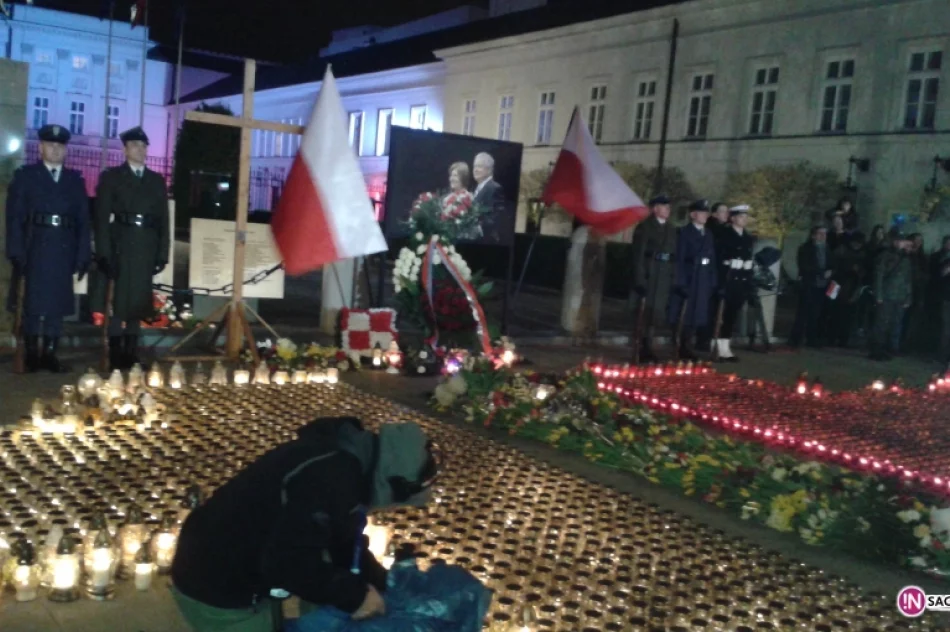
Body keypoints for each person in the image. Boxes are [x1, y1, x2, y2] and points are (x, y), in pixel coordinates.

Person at [171, 417, 440, 632]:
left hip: (237, 556)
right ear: (392, 483)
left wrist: (381, 582)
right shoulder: (332, 479)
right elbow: (286, 563)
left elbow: (343, 541)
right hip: (216, 579)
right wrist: (356, 597)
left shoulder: (348, 459)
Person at [5, 124, 91, 373]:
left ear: (65, 150)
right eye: (50, 145)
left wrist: (83, 254)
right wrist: (16, 251)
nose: (55, 150)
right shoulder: (26, 177)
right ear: (41, 147)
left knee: (56, 304)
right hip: (35, 247)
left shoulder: (74, 181)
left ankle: (50, 354)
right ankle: (32, 353)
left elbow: (83, 222)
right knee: (31, 303)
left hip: (63, 247)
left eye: (60, 146)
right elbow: (15, 218)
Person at [95, 126, 169, 371]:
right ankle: (116, 352)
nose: (140, 150)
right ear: (125, 149)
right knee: (119, 301)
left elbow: (163, 221)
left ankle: (131, 352)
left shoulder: (156, 180)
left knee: (138, 301)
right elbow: (102, 218)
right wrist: (104, 253)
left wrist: (162, 254)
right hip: (121, 243)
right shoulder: (112, 177)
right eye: (135, 145)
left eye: (143, 146)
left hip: (146, 245)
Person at [629, 194, 677, 362]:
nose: (668, 210)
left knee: (656, 313)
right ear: (655, 208)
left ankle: (649, 345)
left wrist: (672, 277)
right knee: (644, 313)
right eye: (664, 207)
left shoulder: (671, 229)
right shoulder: (645, 227)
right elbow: (638, 255)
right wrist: (640, 280)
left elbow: (673, 255)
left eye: (668, 207)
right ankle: (640, 346)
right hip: (650, 272)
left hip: (663, 274)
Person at [668, 199, 717, 360]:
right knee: (685, 314)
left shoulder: (708, 234)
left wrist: (712, 281)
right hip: (690, 277)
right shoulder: (684, 233)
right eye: (702, 213)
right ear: (693, 215)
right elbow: (680, 259)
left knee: (698, 313)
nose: (705, 216)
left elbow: (712, 259)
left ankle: (689, 345)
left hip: (702, 278)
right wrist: (680, 282)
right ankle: (681, 345)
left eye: (706, 213)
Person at [711, 205, 756, 362]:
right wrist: (728, 263)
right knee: (720, 315)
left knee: (732, 315)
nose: (744, 220)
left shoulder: (748, 237)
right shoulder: (724, 234)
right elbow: (718, 257)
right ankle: (716, 346)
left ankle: (726, 348)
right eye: (741, 217)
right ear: (733, 218)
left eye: (746, 217)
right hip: (727, 279)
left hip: (740, 280)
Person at [870, 228, 913, 361]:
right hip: (887, 294)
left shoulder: (905, 258)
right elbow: (879, 276)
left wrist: (908, 296)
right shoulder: (885, 256)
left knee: (894, 324)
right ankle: (876, 349)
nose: (901, 243)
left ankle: (887, 349)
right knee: (881, 323)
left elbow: (907, 279)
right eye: (899, 240)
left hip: (899, 296)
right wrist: (879, 295)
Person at [788, 225, 833, 348]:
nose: (823, 236)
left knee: (816, 313)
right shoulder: (805, 248)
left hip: (822, 285)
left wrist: (829, 272)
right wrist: (820, 272)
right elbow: (804, 266)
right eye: (820, 233)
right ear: (813, 235)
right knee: (803, 312)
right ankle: (795, 339)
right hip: (809, 283)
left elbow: (831, 263)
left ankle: (811, 338)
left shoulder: (827, 249)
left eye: (825, 234)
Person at [829, 231, 866, 347]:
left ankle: (842, 339)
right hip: (838, 284)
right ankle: (832, 337)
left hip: (851, 287)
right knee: (834, 312)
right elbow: (833, 266)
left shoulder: (862, 254)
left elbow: (864, 272)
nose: (857, 245)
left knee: (848, 314)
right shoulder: (842, 251)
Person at [471, 152, 504, 242]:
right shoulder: (476, 188)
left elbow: (495, 218)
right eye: (474, 166)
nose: (475, 170)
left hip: (485, 241)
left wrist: (474, 226)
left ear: (489, 170)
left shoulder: (495, 188)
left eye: (479, 166)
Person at [934, 236, 950, 364]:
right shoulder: (945, 259)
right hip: (947, 298)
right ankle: (942, 356)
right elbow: (941, 273)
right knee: (946, 330)